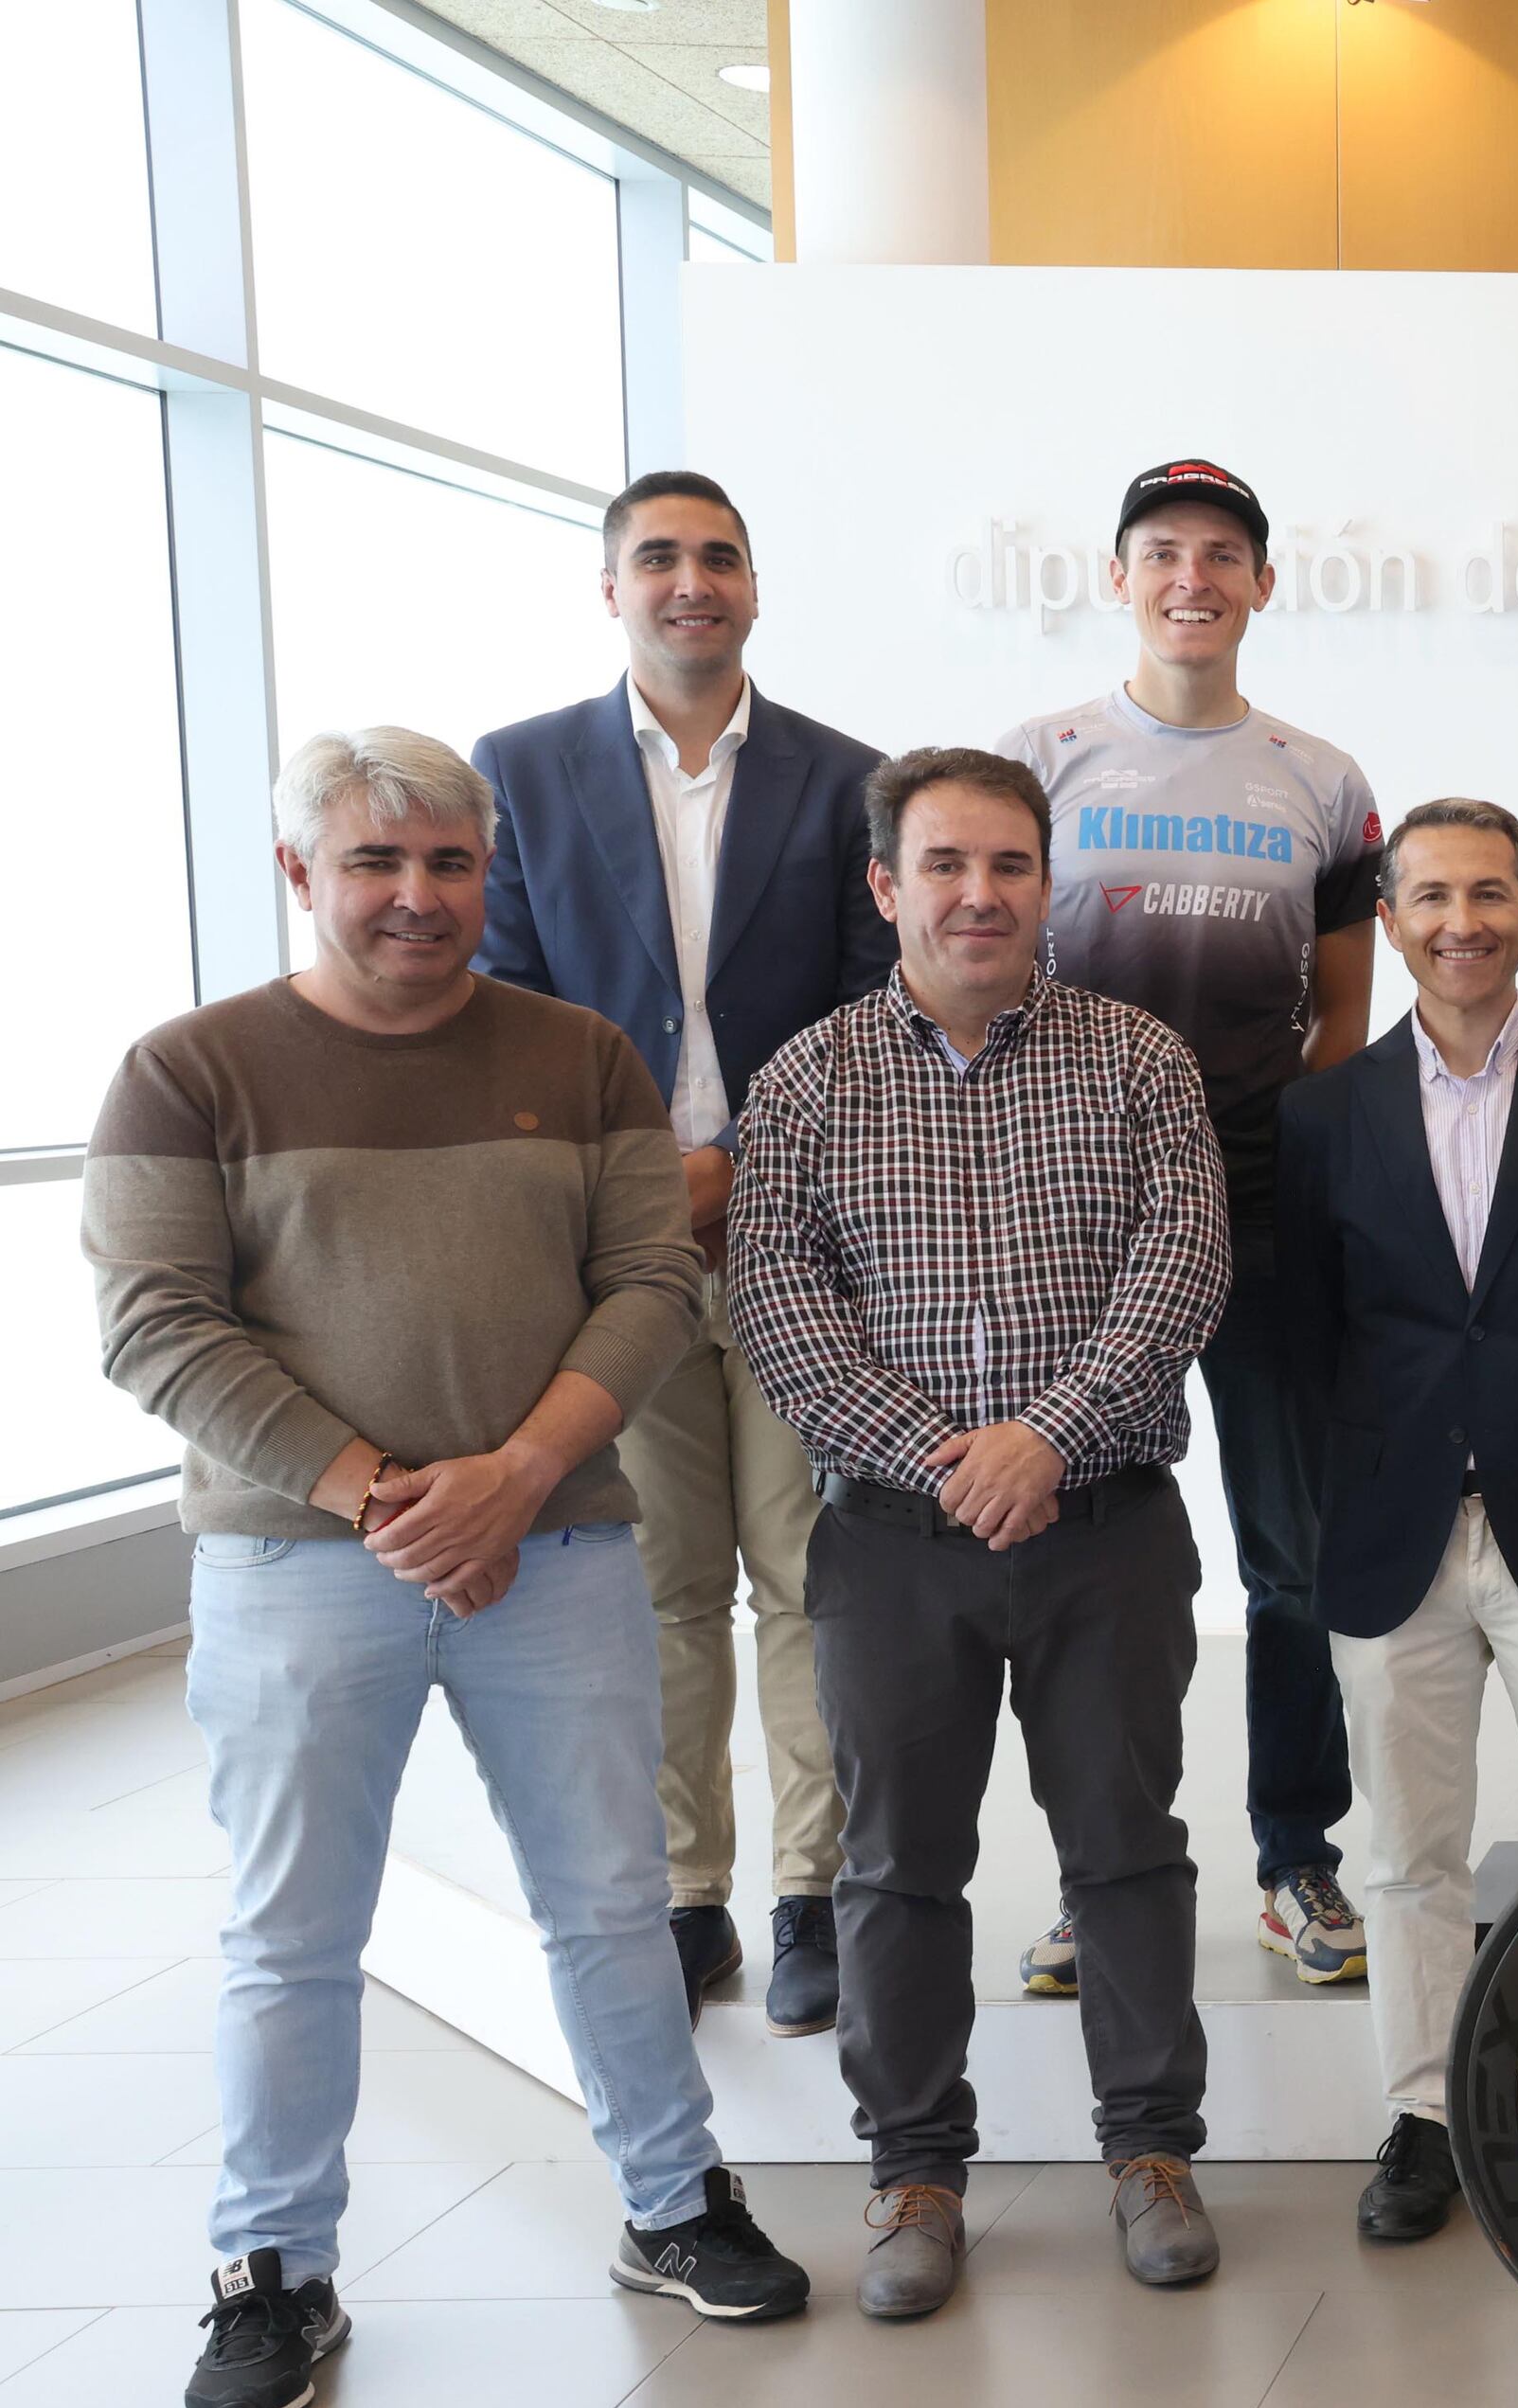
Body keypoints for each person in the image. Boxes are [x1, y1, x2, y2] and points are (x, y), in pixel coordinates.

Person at [91, 728, 810, 2408]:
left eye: (449, 865)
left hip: (554, 1543)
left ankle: (672, 2202)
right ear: (300, 872)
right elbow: (153, 1325)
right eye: (374, 862)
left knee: (612, 1903)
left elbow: (652, 1280)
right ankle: (274, 2267)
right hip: (296, 1563)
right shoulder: (188, 1071)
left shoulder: (582, 1057)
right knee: (293, 1934)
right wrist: (383, 1494)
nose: (415, 896)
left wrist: (515, 1475)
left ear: (492, 875)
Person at [728, 748, 1236, 2319]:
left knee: (1127, 1850)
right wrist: (947, 1463)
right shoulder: (805, 1081)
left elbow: (1184, 1264)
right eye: (944, 864)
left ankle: (1151, 2152)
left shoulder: (1138, 1058)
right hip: (891, 1545)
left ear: (1046, 881)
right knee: (896, 1866)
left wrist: (1048, 1438)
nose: (979, 893)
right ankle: (914, 2173)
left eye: (1009, 863)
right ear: (888, 885)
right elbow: (780, 1306)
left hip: (1105, 1530)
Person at [472, 469, 892, 2037]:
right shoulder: (520, 771)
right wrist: (647, 1180)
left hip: (799, 1236)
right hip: (611, 1248)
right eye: (658, 557)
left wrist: (743, 1163)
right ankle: (687, 1895)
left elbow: (870, 1016)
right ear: (612, 589)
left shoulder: (847, 780)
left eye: (719, 556)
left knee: (806, 1574)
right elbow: (505, 1007)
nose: (691, 580)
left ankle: (811, 1892)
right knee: (658, 1583)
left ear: (755, 586)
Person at [995, 459, 1383, 1997]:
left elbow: (1343, 1024)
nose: (1192, 578)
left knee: (1295, 1559)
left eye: (1223, 554)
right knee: (1090, 1559)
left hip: (1272, 1211)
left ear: (1262, 585)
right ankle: (1102, 1877)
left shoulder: (1324, 781)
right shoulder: (1038, 761)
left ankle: (1297, 1857)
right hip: (1088, 1215)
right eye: (1163, 551)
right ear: (1119, 576)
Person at [1279, 798, 1518, 2242]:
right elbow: (1306, 1343)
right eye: (1433, 896)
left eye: (1491, 894)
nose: (1464, 922)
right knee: (1406, 1852)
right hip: (1394, 1539)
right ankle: (1429, 2115)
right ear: (1389, 922)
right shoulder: (1322, 1117)